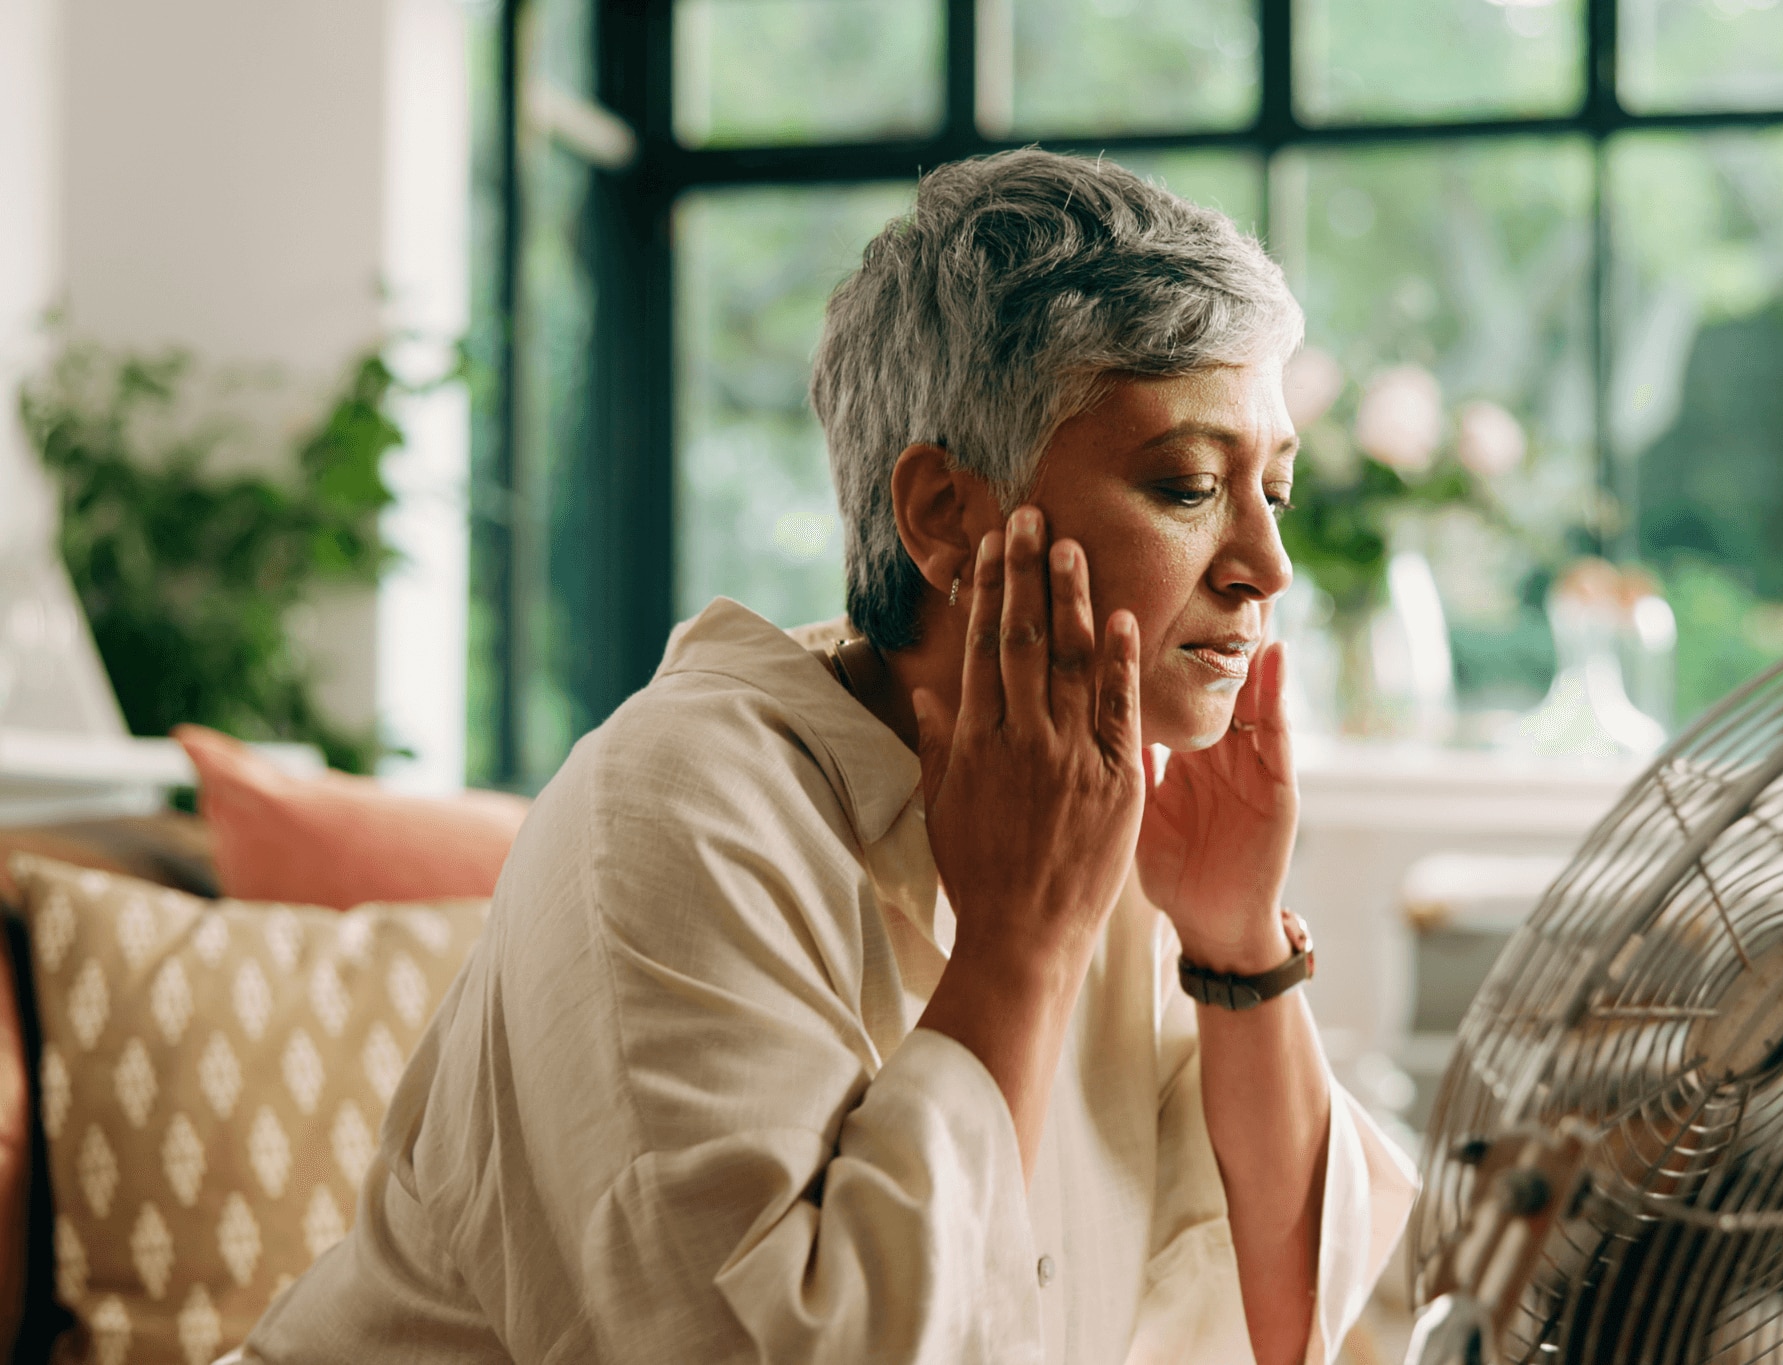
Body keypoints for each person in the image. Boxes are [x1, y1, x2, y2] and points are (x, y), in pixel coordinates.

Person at [230, 148, 1414, 1365]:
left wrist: (1232, 940)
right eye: (1186, 485)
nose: (1266, 566)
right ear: (944, 514)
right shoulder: (672, 809)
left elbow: (1295, 1320)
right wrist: (1017, 945)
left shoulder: (1091, 799)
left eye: (1272, 487)